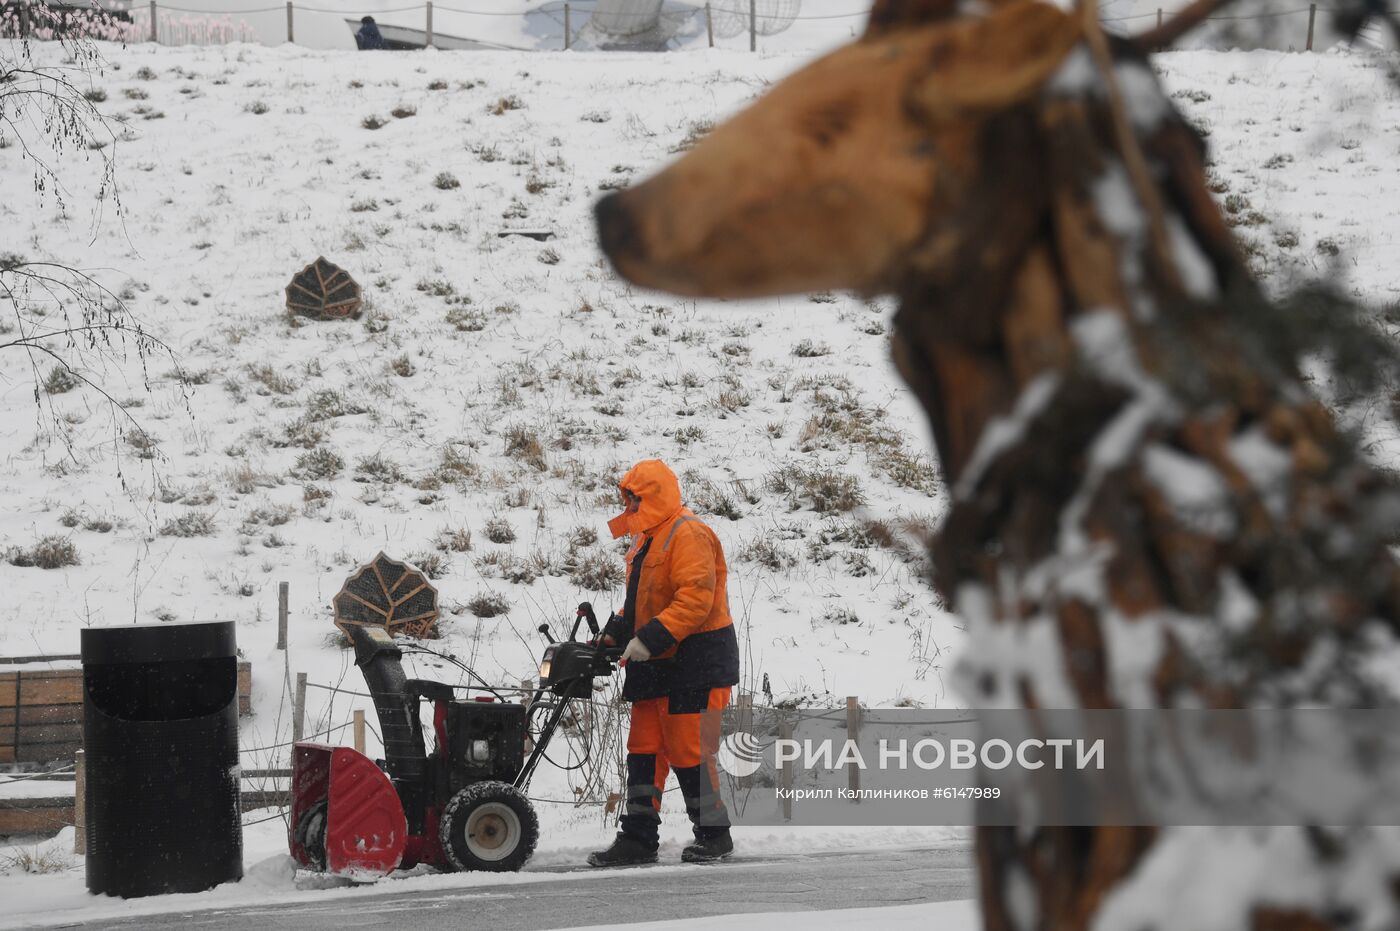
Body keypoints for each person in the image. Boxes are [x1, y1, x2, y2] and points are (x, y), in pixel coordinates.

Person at [588, 459, 740, 867]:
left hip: (696, 661)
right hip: (656, 661)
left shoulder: (688, 533)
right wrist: (617, 633)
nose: (630, 504)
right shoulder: (646, 539)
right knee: (644, 750)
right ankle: (638, 838)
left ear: (652, 495)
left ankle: (714, 834)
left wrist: (648, 639)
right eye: (627, 498)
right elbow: (642, 601)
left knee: (687, 749)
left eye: (635, 497)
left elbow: (695, 599)